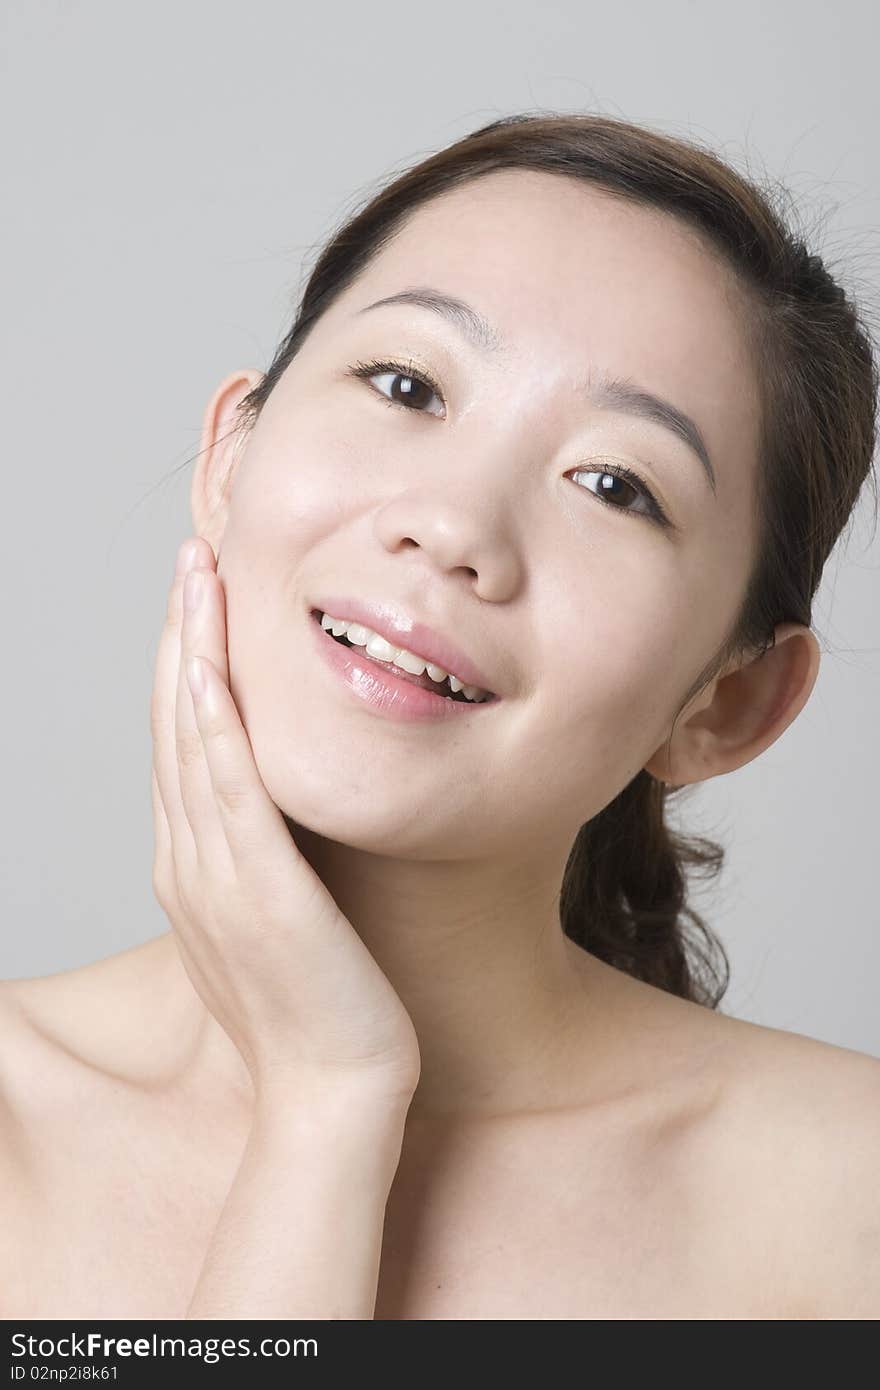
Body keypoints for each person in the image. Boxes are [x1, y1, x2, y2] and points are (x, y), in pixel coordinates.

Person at [2, 112, 878, 1321]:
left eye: (614, 485)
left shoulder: (845, 1204)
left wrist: (329, 1095)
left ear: (727, 703)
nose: (455, 525)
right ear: (229, 459)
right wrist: (324, 1101)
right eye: (406, 384)